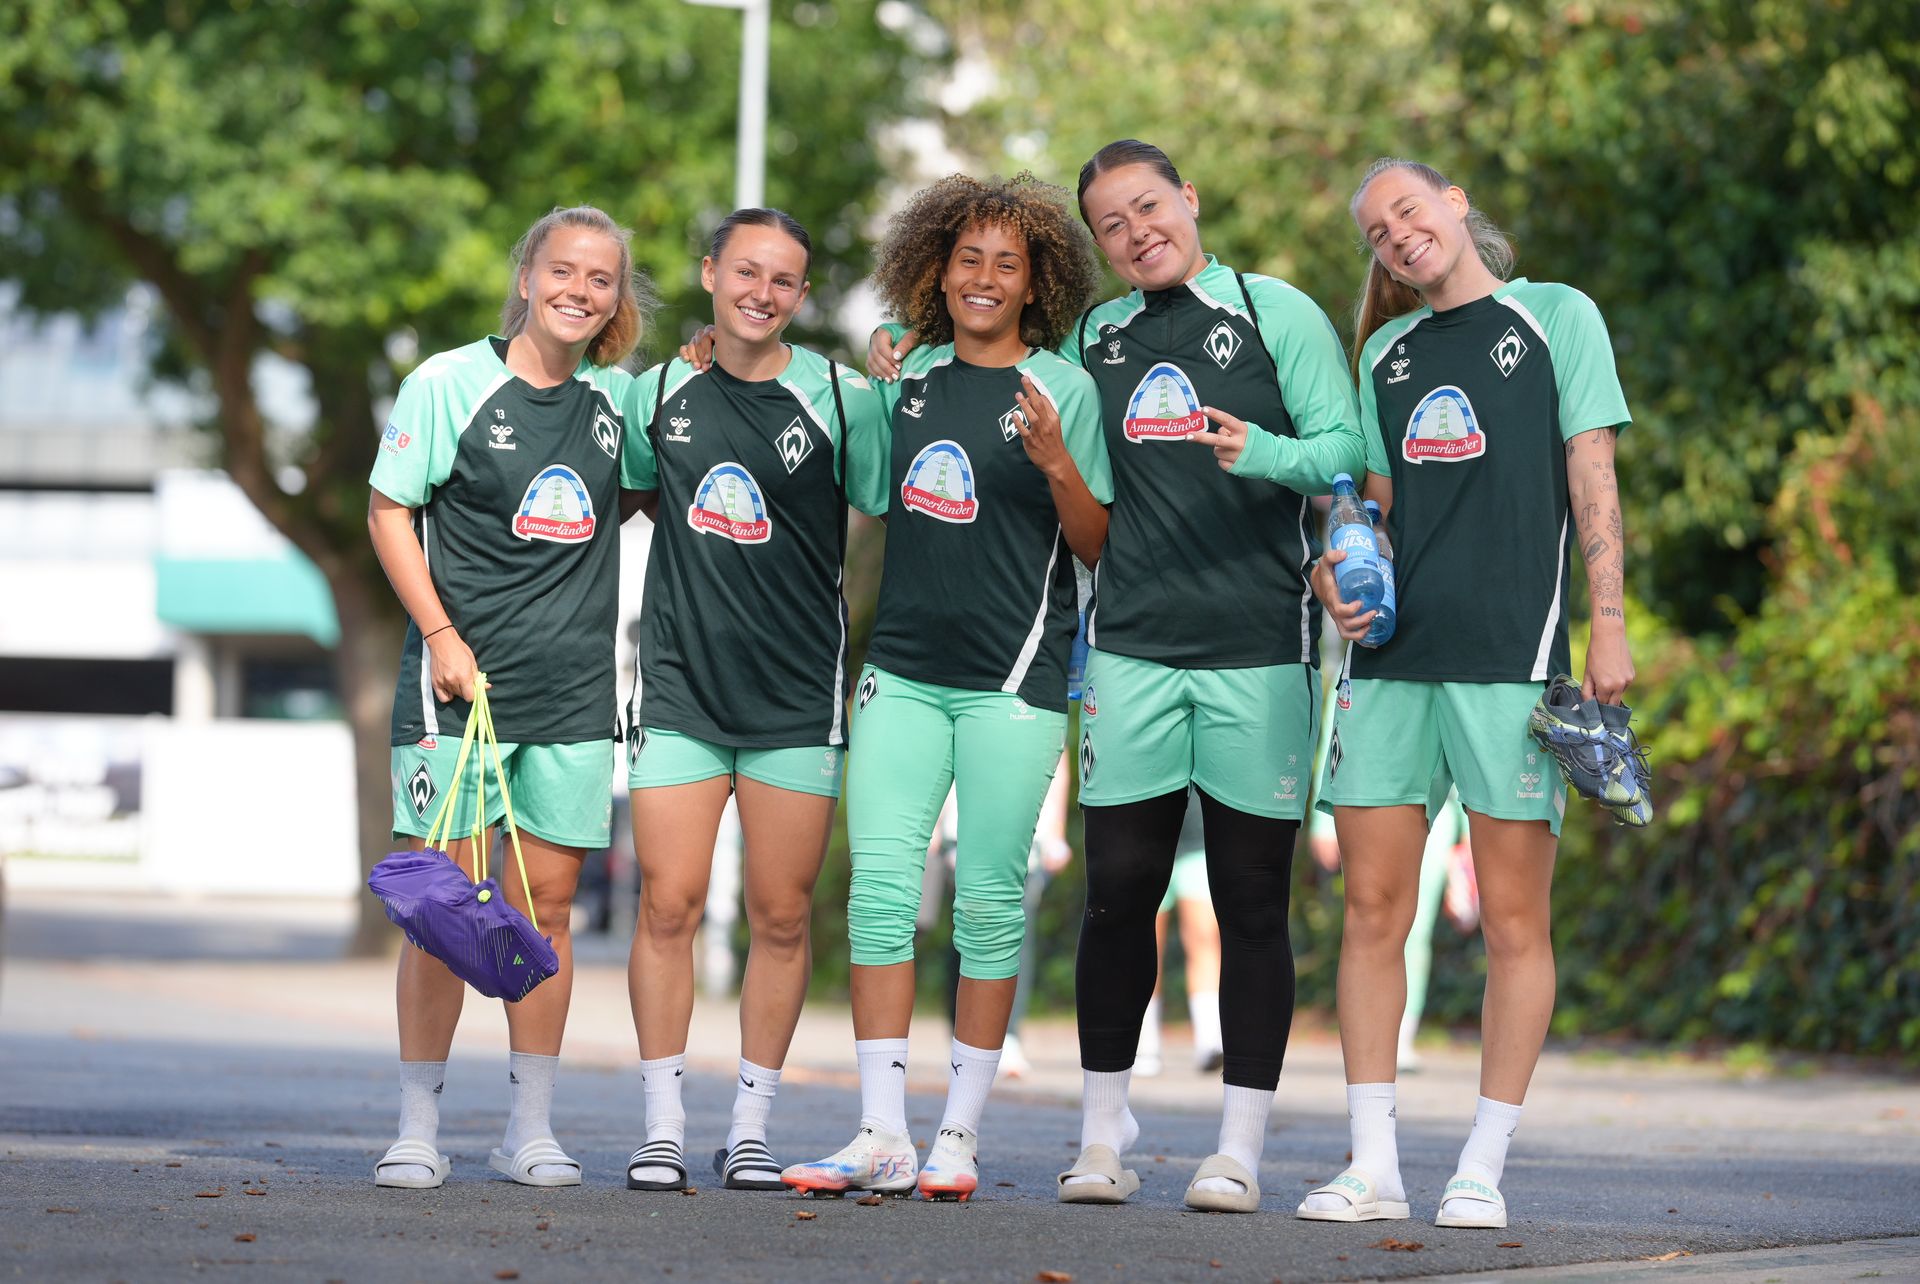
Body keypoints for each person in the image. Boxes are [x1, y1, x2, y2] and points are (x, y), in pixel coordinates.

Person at [875, 141, 1364, 1213]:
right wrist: (904, 340)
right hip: (1129, 650)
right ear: (1096, 244)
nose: (1138, 232)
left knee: (1249, 901)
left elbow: (1347, 451)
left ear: (1189, 198)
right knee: (1117, 896)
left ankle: (1237, 1151)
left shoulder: (1274, 311)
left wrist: (1265, 452)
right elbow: (993, 349)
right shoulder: (1097, 336)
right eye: (1112, 223)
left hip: (1260, 650)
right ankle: (1103, 1137)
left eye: (1149, 207)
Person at [1297, 158, 1632, 1231]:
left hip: (1511, 663)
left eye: (1409, 210)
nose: (1398, 235)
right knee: (1370, 913)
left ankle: (1482, 1167)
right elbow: (1375, 509)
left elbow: (1592, 474)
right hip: (1390, 666)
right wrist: (1335, 566)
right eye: (1377, 231)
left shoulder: (1558, 317)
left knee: (1514, 923)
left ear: (1453, 204)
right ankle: (1373, 1166)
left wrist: (1610, 620)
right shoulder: (1384, 355)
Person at [779, 173, 1108, 1200]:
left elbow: (1098, 542)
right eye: (968, 259)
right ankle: (881, 1133)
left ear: (1036, 283)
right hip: (902, 674)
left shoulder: (1065, 389)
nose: (985, 277)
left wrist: (1056, 462)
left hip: (1013, 683)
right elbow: (874, 491)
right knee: (878, 895)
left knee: (990, 903)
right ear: (937, 268)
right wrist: (879, 370)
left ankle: (958, 1138)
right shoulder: (908, 375)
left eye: (1007, 264)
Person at [366, 205, 648, 1190]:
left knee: (550, 911)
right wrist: (442, 636)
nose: (579, 290)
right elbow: (389, 512)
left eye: (601, 279)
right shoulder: (447, 382)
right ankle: (417, 1128)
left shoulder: (621, 400)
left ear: (616, 299)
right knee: (442, 909)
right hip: (457, 693)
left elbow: (655, 479)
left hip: (572, 697)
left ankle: (529, 1128)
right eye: (562, 270)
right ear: (527, 277)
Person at [618, 208, 891, 1193]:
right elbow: (633, 495)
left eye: (782, 280)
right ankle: (661, 1127)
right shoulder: (658, 390)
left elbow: (890, 506)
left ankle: (750, 1130)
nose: (761, 293)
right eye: (745, 272)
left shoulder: (842, 397)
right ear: (710, 274)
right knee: (668, 905)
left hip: (796, 701)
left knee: (781, 917)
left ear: (802, 295)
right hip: (681, 691)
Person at [1135, 787, 1224, 1077]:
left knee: (1203, 938)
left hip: (1198, 838)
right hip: (1147, 835)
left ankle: (1209, 1041)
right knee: (1146, 942)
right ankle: (1144, 1043)